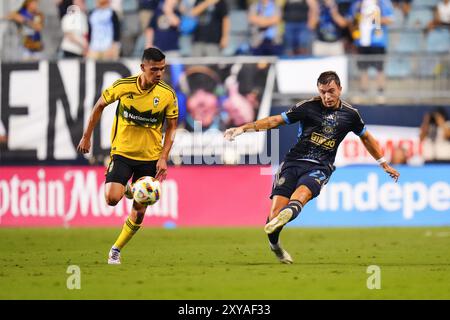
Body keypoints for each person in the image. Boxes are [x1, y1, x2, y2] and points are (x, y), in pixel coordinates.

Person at [224, 71, 400, 264]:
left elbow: (366, 137)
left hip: (320, 167)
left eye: (331, 91)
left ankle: (291, 211)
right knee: (273, 218)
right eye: (323, 92)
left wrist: (383, 163)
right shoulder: (307, 108)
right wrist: (242, 129)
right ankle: (275, 245)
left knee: (302, 194)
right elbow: (275, 120)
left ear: (340, 89)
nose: (327, 96)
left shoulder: (350, 115)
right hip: (293, 163)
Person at [77, 47, 179, 264]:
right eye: (154, 69)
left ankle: (116, 249)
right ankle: (129, 188)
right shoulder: (123, 86)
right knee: (112, 198)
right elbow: (99, 106)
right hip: (122, 152)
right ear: (143, 67)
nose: (159, 74)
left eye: (162, 69)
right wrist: (87, 137)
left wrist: (163, 157)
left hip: (150, 157)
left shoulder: (167, 94)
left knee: (140, 209)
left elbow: (171, 127)